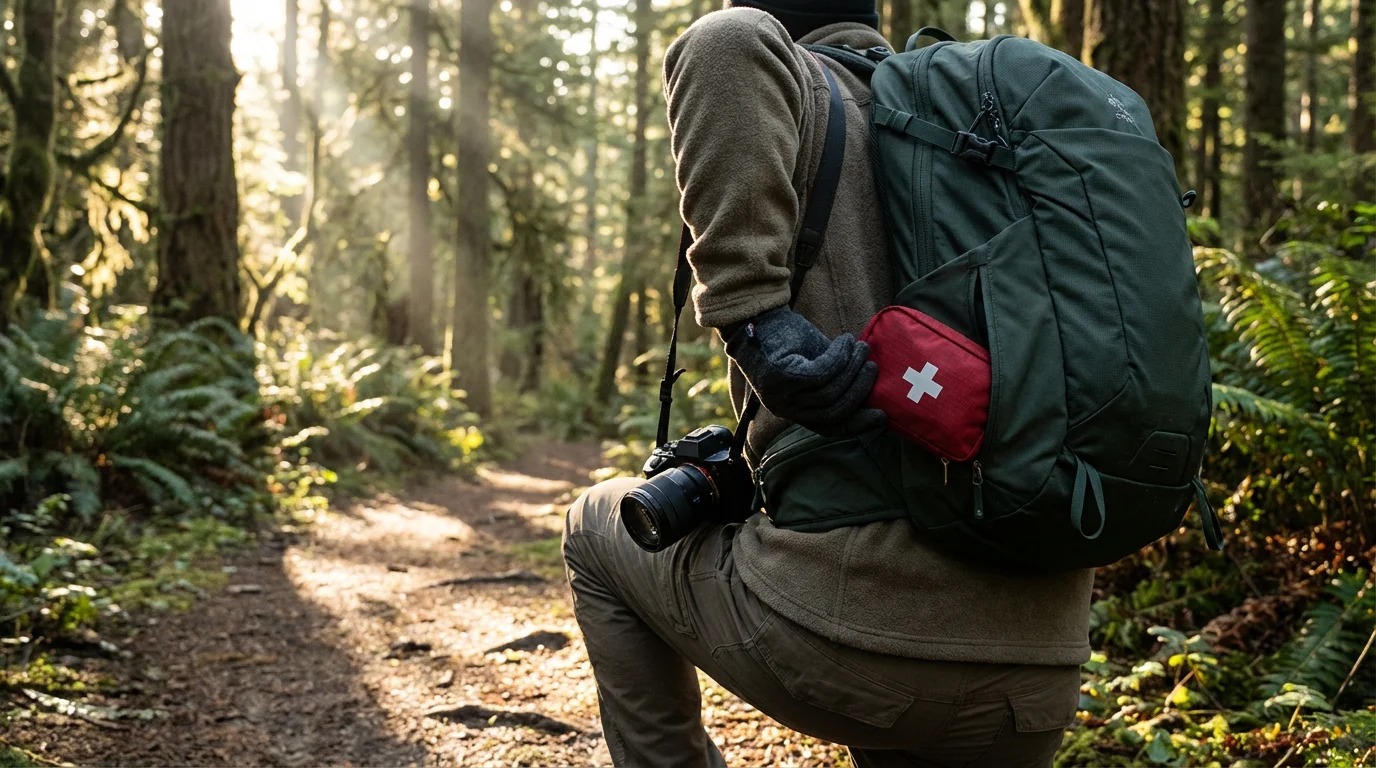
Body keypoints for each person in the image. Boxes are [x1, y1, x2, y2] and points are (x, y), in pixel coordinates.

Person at [562, 2, 1096, 765]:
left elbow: (724, 39)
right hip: (1043, 665)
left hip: (855, 644)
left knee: (593, 525)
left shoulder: (788, 81)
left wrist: (752, 319)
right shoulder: (985, 138)